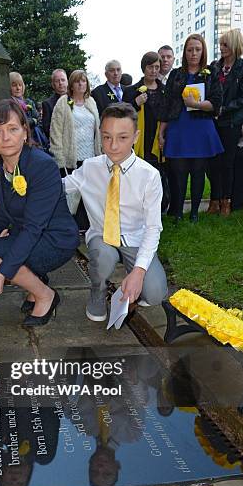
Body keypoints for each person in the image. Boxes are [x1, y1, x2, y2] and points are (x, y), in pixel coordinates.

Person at [0, 99, 79, 327]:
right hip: (24, 235)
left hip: (54, 239)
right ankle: (35, 280)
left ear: (24, 132)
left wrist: (2, 274)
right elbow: (3, 208)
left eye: (12, 129)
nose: (5, 137)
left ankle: (45, 295)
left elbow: (34, 227)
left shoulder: (43, 166)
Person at [64, 102, 168, 322]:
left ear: (135, 136)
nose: (112, 146)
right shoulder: (90, 168)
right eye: (106, 137)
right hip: (103, 237)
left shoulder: (149, 175)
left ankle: (131, 280)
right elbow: (58, 186)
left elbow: (153, 228)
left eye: (122, 137)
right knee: (102, 257)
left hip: (135, 239)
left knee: (156, 293)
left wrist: (139, 272)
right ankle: (98, 290)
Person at [159, 34, 223, 223]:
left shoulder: (211, 72)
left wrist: (198, 104)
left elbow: (217, 104)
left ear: (203, 51)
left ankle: (194, 212)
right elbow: (167, 104)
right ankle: (178, 211)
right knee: (178, 173)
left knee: (197, 172)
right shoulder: (176, 74)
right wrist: (162, 133)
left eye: (197, 49)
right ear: (184, 52)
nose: (193, 53)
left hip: (201, 129)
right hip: (179, 128)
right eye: (189, 49)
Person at [49, 69, 101, 230]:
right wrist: (58, 155)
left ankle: (87, 225)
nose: (81, 84)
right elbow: (55, 130)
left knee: (89, 192)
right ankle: (70, 227)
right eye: (77, 81)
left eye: (83, 81)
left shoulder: (91, 102)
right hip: (71, 156)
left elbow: (97, 128)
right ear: (71, 84)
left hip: (90, 155)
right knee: (72, 193)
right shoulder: (64, 102)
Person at [207, 28, 243, 216]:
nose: (221, 48)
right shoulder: (214, 66)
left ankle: (226, 201)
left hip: (232, 122)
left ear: (234, 45)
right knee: (213, 163)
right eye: (220, 44)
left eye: (225, 44)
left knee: (228, 163)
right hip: (213, 121)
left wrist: (224, 109)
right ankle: (214, 200)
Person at [123, 51, 166, 172]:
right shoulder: (131, 91)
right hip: (139, 141)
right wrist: (135, 103)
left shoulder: (165, 91)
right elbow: (122, 116)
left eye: (157, 67)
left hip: (159, 141)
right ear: (143, 68)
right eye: (150, 67)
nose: (153, 71)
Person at [232, 106, 243, 211]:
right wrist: (240, 131)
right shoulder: (240, 108)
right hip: (241, 149)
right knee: (240, 184)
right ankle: (237, 207)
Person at [42, 68, 68, 138]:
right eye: (57, 81)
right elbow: (47, 129)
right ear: (53, 84)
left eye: (63, 80)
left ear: (67, 82)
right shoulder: (47, 104)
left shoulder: (76, 99)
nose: (60, 83)